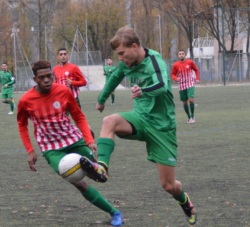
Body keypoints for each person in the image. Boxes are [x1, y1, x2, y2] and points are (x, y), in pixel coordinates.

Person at [79, 27, 197, 225]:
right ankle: (102, 167)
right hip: (140, 118)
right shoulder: (127, 63)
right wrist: (101, 100)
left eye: (122, 54)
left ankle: (185, 201)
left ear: (134, 46)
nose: (121, 59)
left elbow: (162, 86)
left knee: (168, 185)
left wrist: (143, 90)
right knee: (110, 121)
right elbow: (115, 77)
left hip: (162, 128)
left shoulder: (154, 61)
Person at [17, 60, 123, 226]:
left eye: (49, 76)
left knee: (100, 177)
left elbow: (78, 116)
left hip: (73, 139)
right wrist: (30, 150)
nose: (46, 80)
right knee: (78, 182)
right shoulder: (26, 100)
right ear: (35, 79)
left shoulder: (64, 91)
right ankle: (114, 212)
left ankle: (93, 164)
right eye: (41, 77)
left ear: (53, 75)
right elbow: (22, 125)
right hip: (51, 148)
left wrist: (89, 140)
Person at [171, 50, 200, 124]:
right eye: (180, 54)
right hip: (181, 84)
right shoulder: (176, 65)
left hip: (190, 83)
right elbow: (173, 74)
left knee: (191, 100)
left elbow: (196, 70)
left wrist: (197, 78)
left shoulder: (190, 62)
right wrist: (176, 79)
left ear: (185, 55)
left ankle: (193, 116)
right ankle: (189, 117)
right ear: (178, 55)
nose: (181, 55)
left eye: (182, 54)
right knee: (184, 102)